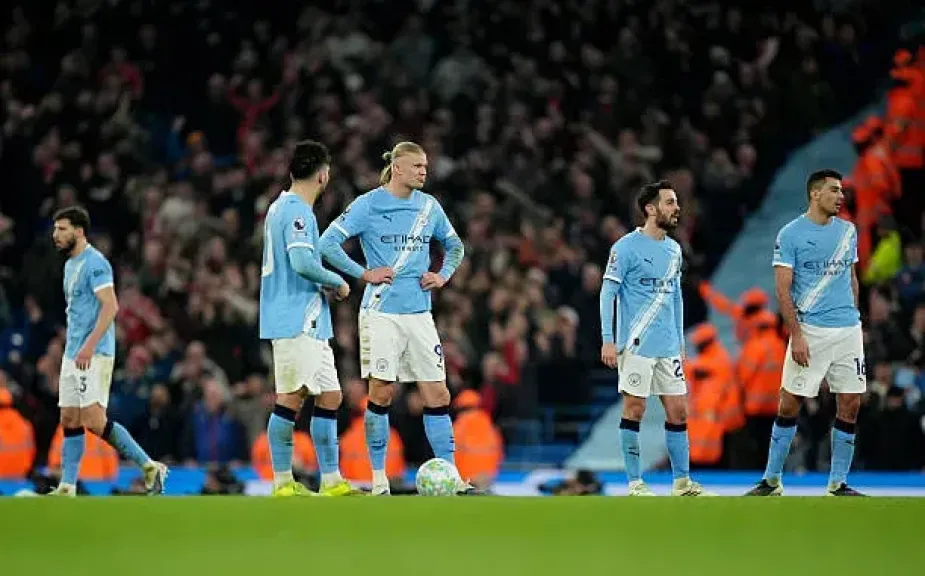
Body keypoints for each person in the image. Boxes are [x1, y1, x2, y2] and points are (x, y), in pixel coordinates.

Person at [319, 141, 466, 496]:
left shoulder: (429, 206)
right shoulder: (368, 204)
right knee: (382, 392)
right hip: (380, 312)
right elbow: (327, 243)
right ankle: (379, 478)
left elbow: (456, 246)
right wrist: (363, 273)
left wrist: (442, 275)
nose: (424, 171)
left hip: (419, 313)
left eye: (425, 166)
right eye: (417, 166)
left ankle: (452, 475)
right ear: (397, 168)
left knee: (438, 393)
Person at [747, 169, 867, 496]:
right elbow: (782, 290)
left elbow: (851, 277)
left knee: (851, 403)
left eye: (841, 191)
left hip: (847, 329)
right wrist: (797, 335)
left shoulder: (848, 231)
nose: (841, 196)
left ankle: (838, 483)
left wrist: (855, 316)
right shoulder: (790, 234)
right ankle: (771, 480)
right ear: (815, 194)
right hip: (810, 330)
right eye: (834, 190)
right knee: (790, 403)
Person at [599, 181, 713, 496]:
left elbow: (675, 297)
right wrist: (608, 339)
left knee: (679, 411)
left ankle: (682, 483)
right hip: (636, 344)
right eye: (670, 202)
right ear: (650, 209)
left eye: (676, 202)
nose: (677, 208)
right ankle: (635, 482)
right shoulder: (625, 248)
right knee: (634, 409)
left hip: (667, 347)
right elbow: (608, 293)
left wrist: (679, 340)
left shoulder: (674, 250)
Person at [259, 140, 360, 497]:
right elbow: (302, 263)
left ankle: (331, 480)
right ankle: (282, 481)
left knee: (330, 395)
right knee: (291, 397)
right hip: (295, 318)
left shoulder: (279, 208)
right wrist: (337, 281)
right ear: (323, 175)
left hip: (309, 319)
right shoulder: (297, 212)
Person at [50, 206, 168, 496]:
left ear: (79, 231)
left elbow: (111, 306)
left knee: (93, 420)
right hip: (73, 352)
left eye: (62, 229)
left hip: (94, 353)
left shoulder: (96, 264)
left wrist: (89, 346)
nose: (56, 235)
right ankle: (67, 485)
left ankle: (150, 466)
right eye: (55, 229)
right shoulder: (70, 265)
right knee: (69, 418)